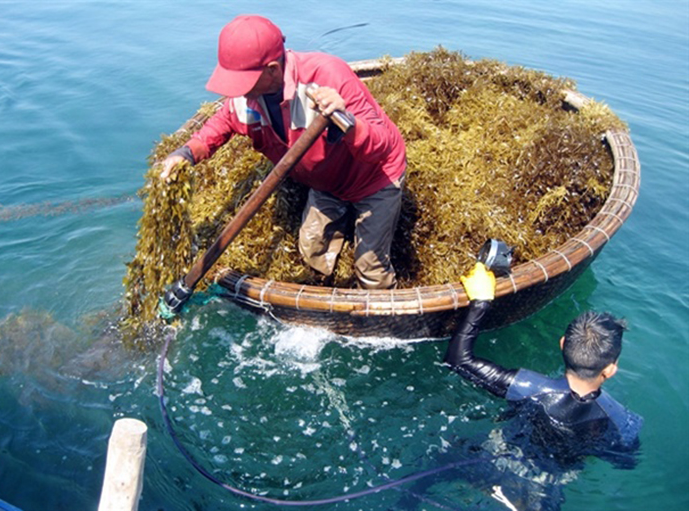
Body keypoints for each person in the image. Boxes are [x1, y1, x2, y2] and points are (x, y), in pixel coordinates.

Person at [160, 15, 406, 290]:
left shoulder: (327, 76)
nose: (238, 92)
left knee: (370, 271)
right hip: (326, 183)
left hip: (374, 179)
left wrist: (346, 121)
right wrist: (187, 153)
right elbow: (222, 123)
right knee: (311, 249)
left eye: (243, 81)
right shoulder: (246, 98)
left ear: (273, 70)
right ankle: (328, 286)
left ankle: (380, 317)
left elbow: (381, 146)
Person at [443, 262, 642, 509]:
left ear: (562, 344)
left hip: (492, 461)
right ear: (610, 369)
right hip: (543, 490)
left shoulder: (527, 387)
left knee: (439, 461)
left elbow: (458, 360)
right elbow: (626, 460)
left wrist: (481, 302)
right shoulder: (619, 419)